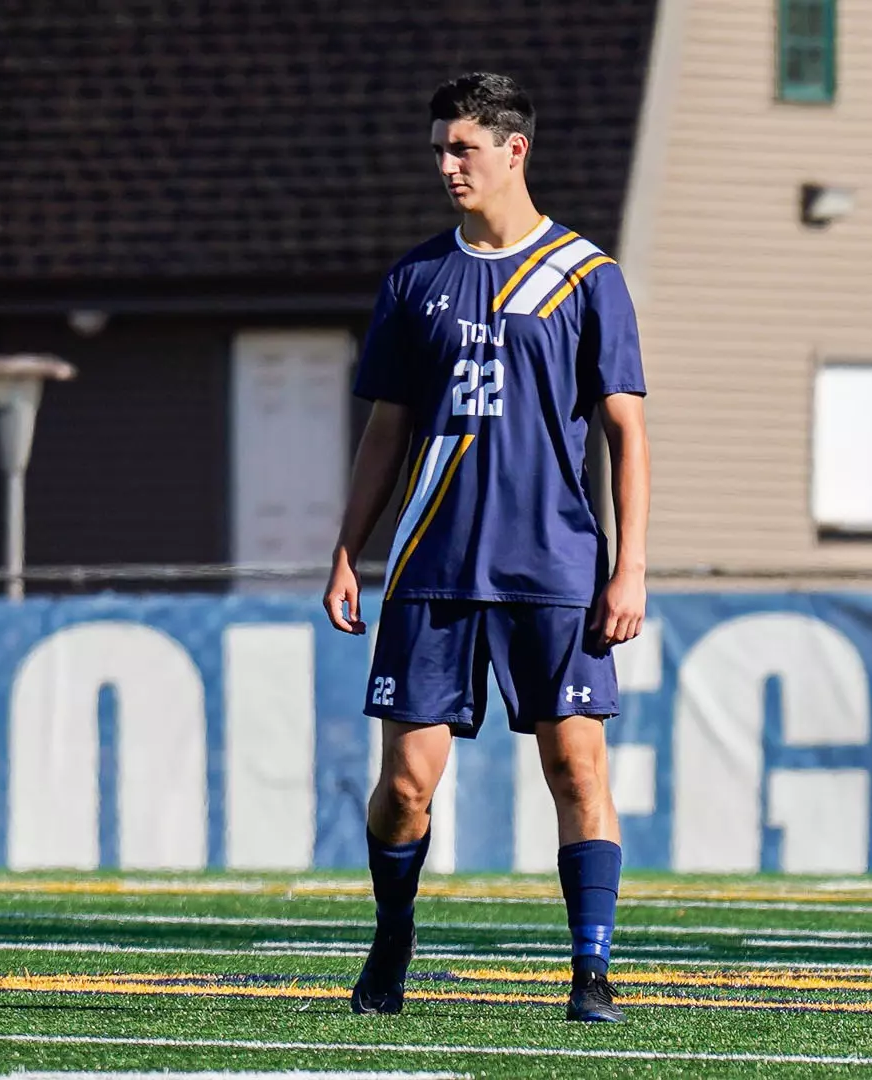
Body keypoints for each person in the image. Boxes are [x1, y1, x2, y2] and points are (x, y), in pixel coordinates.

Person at [321, 72, 649, 1022]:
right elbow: (387, 430)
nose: (445, 165)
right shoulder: (414, 278)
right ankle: (392, 934)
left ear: (515, 150)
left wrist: (627, 567)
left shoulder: (589, 278)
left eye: (462, 148)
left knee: (577, 769)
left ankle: (590, 973)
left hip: (554, 567)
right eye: (437, 148)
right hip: (431, 566)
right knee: (408, 787)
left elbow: (625, 432)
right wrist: (349, 548)